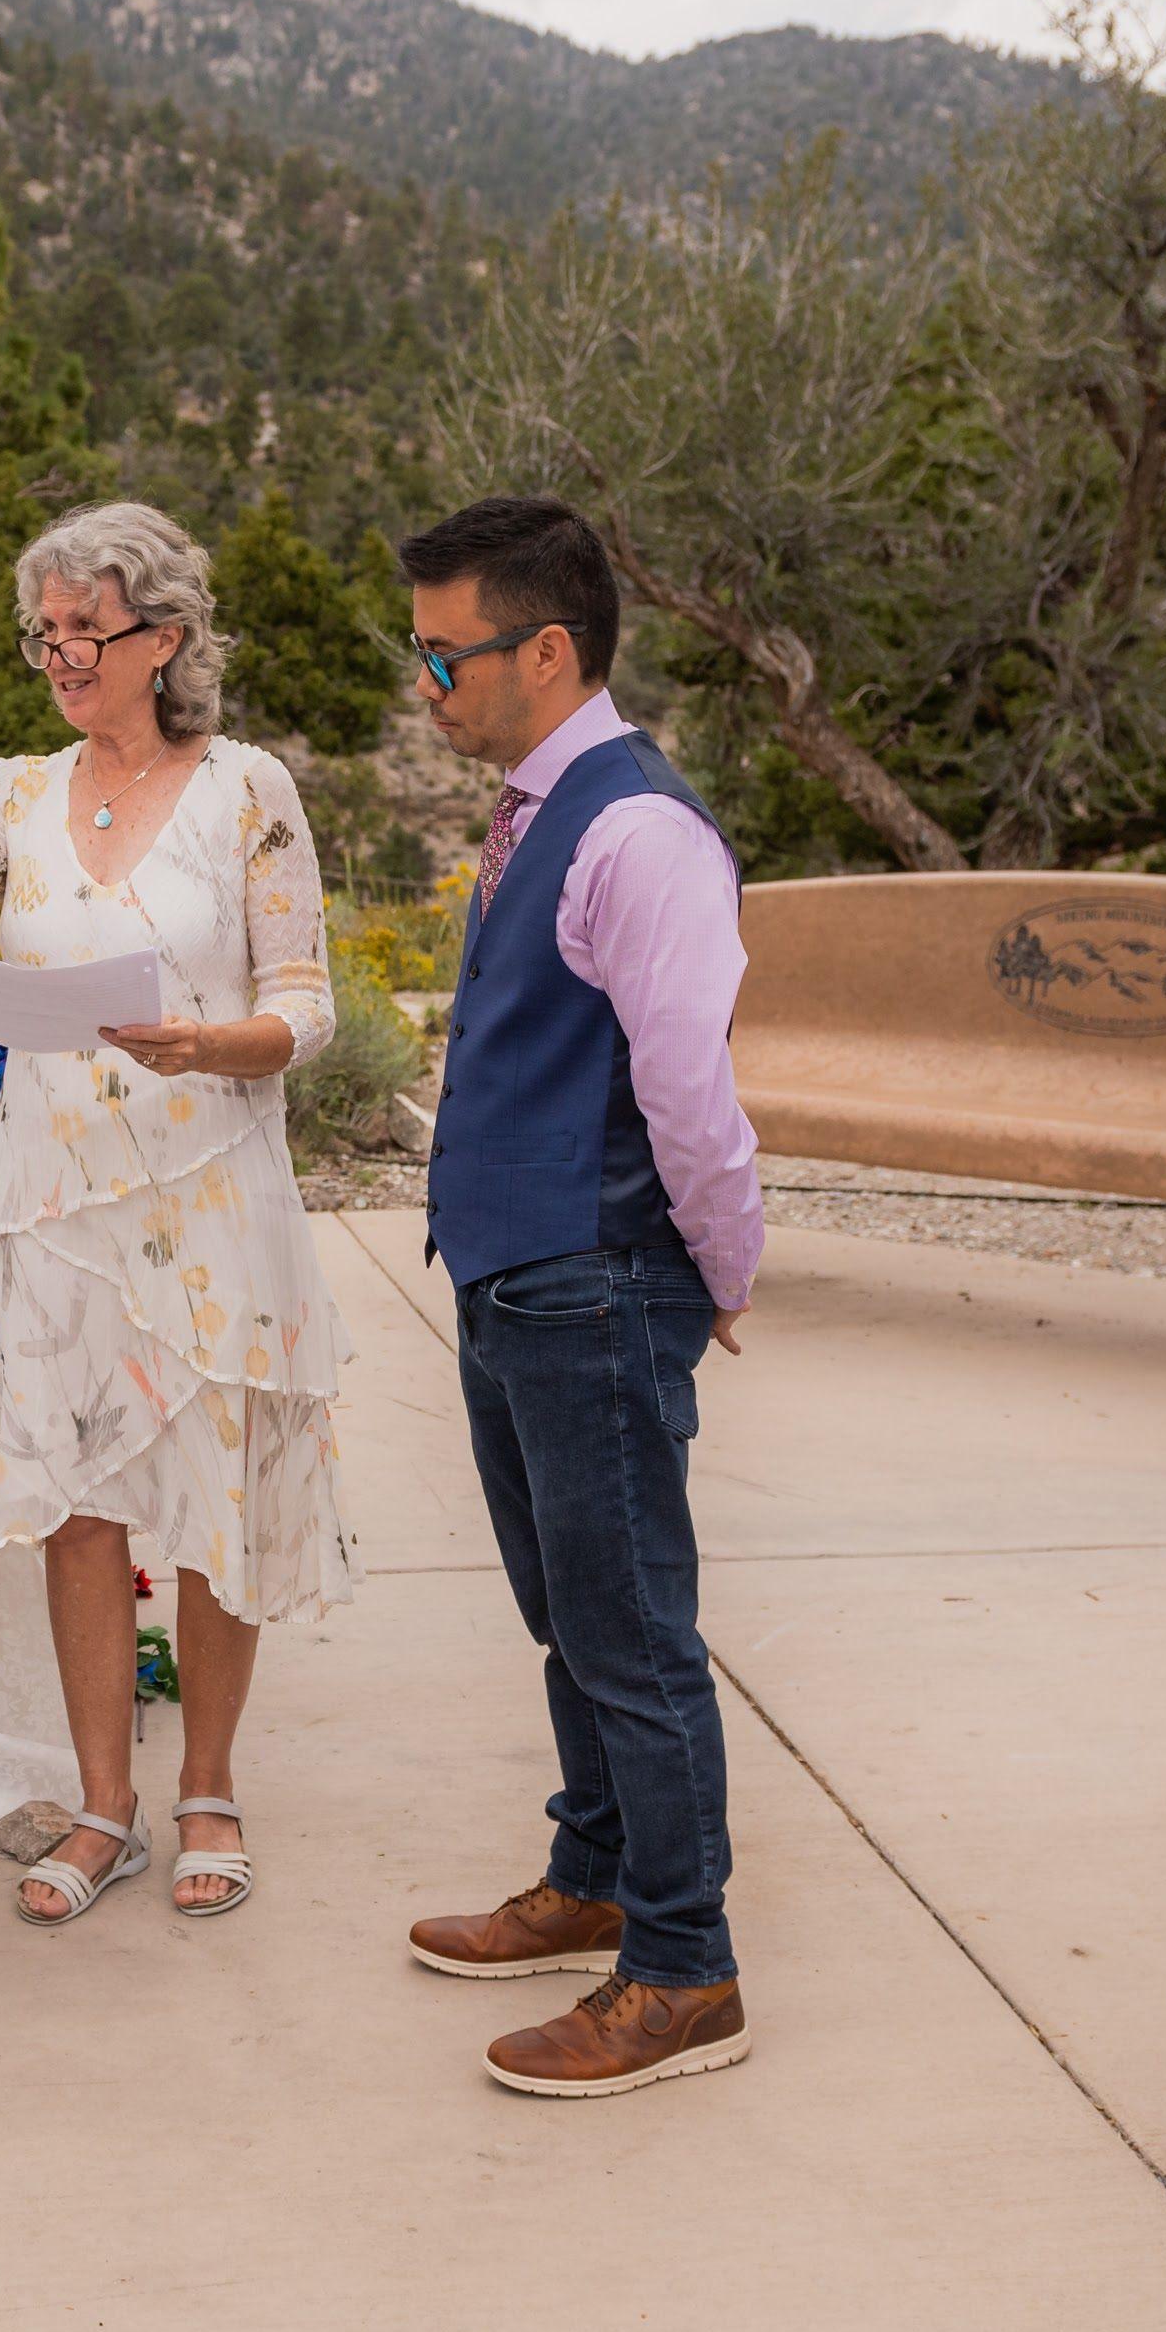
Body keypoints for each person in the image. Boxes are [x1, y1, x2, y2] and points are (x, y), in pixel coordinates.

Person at [0, 503, 350, 1919]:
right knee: (77, 1503)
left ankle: (208, 1786)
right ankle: (101, 1804)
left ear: (165, 638)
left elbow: (305, 1003)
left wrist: (216, 1044)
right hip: (58, 1198)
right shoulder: (14, 791)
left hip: (211, 1191)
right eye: (45, 632)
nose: (62, 655)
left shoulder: (248, 787)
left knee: (219, 1497)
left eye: (89, 629)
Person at [388, 498, 767, 2100]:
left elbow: (689, 1091)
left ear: (544, 649)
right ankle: (595, 1868)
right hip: (512, 1272)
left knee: (631, 1628)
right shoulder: (533, 814)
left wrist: (719, 1268)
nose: (426, 688)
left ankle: (682, 1964)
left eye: (442, 654)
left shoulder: (636, 831)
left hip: (596, 1275)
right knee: (566, 1610)